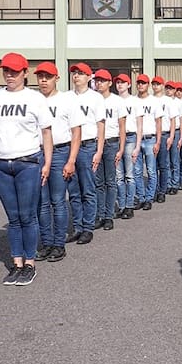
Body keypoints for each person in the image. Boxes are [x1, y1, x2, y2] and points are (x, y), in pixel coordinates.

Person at [0, 52, 52, 286]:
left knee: (27, 216)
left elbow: (46, 132)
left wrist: (48, 163)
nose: (9, 75)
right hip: (1, 165)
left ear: (25, 73)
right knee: (13, 218)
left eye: (14, 71)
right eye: (6, 71)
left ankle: (30, 263)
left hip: (28, 163)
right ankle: (17, 263)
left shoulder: (35, 99)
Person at [34, 62, 82, 263]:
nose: (43, 80)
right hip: (36, 153)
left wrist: (71, 160)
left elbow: (76, 132)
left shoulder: (67, 100)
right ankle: (46, 243)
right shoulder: (33, 100)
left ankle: (58, 244)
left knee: (58, 200)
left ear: (56, 78)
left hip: (60, 151)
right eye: (40, 77)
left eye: (48, 77)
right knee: (41, 202)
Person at [66, 62, 105, 245]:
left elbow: (101, 125)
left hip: (88, 146)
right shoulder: (66, 97)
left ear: (89, 77)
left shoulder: (96, 98)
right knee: (73, 191)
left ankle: (88, 227)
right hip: (70, 147)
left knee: (88, 189)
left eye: (81, 73)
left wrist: (99, 151)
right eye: (74, 73)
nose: (77, 76)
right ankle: (77, 226)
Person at [95, 69, 126, 229]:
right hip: (95, 144)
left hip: (111, 143)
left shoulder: (117, 101)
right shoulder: (92, 99)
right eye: (97, 80)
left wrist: (121, 149)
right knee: (98, 182)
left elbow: (122, 127)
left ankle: (109, 216)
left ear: (109, 83)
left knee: (110, 181)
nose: (99, 83)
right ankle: (100, 214)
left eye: (102, 80)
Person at [114, 74, 143, 219]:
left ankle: (130, 205)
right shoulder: (113, 101)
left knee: (129, 175)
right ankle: (122, 205)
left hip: (131, 137)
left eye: (123, 83)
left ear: (129, 85)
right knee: (118, 176)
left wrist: (138, 146)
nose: (120, 85)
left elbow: (139, 125)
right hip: (117, 139)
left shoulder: (135, 102)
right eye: (118, 82)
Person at [134, 74, 164, 210]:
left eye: (143, 83)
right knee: (137, 171)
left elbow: (159, 123)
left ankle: (149, 198)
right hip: (136, 140)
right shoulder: (132, 101)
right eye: (139, 83)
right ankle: (141, 197)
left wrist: (158, 141)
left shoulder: (154, 101)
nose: (141, 85)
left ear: (148, 85)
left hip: (150, 139)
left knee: (151, 171)